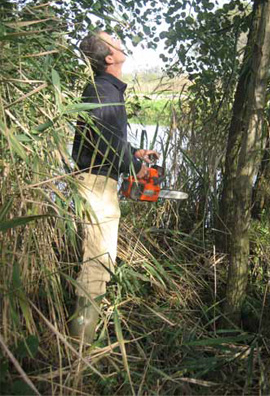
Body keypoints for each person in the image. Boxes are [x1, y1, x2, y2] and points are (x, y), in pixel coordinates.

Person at [69, 30, 159, 343]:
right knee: (98, 262)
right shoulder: (103, 91)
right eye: (114, 41)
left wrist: (133, 153)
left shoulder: (106, 90)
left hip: (98, 182)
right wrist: (136, 168)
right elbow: (105, 144)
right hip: (96, 184)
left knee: (98, 259)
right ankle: (81, 350)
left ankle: (83, 336)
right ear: (110, 57)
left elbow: (105, 138)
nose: (120, 42)